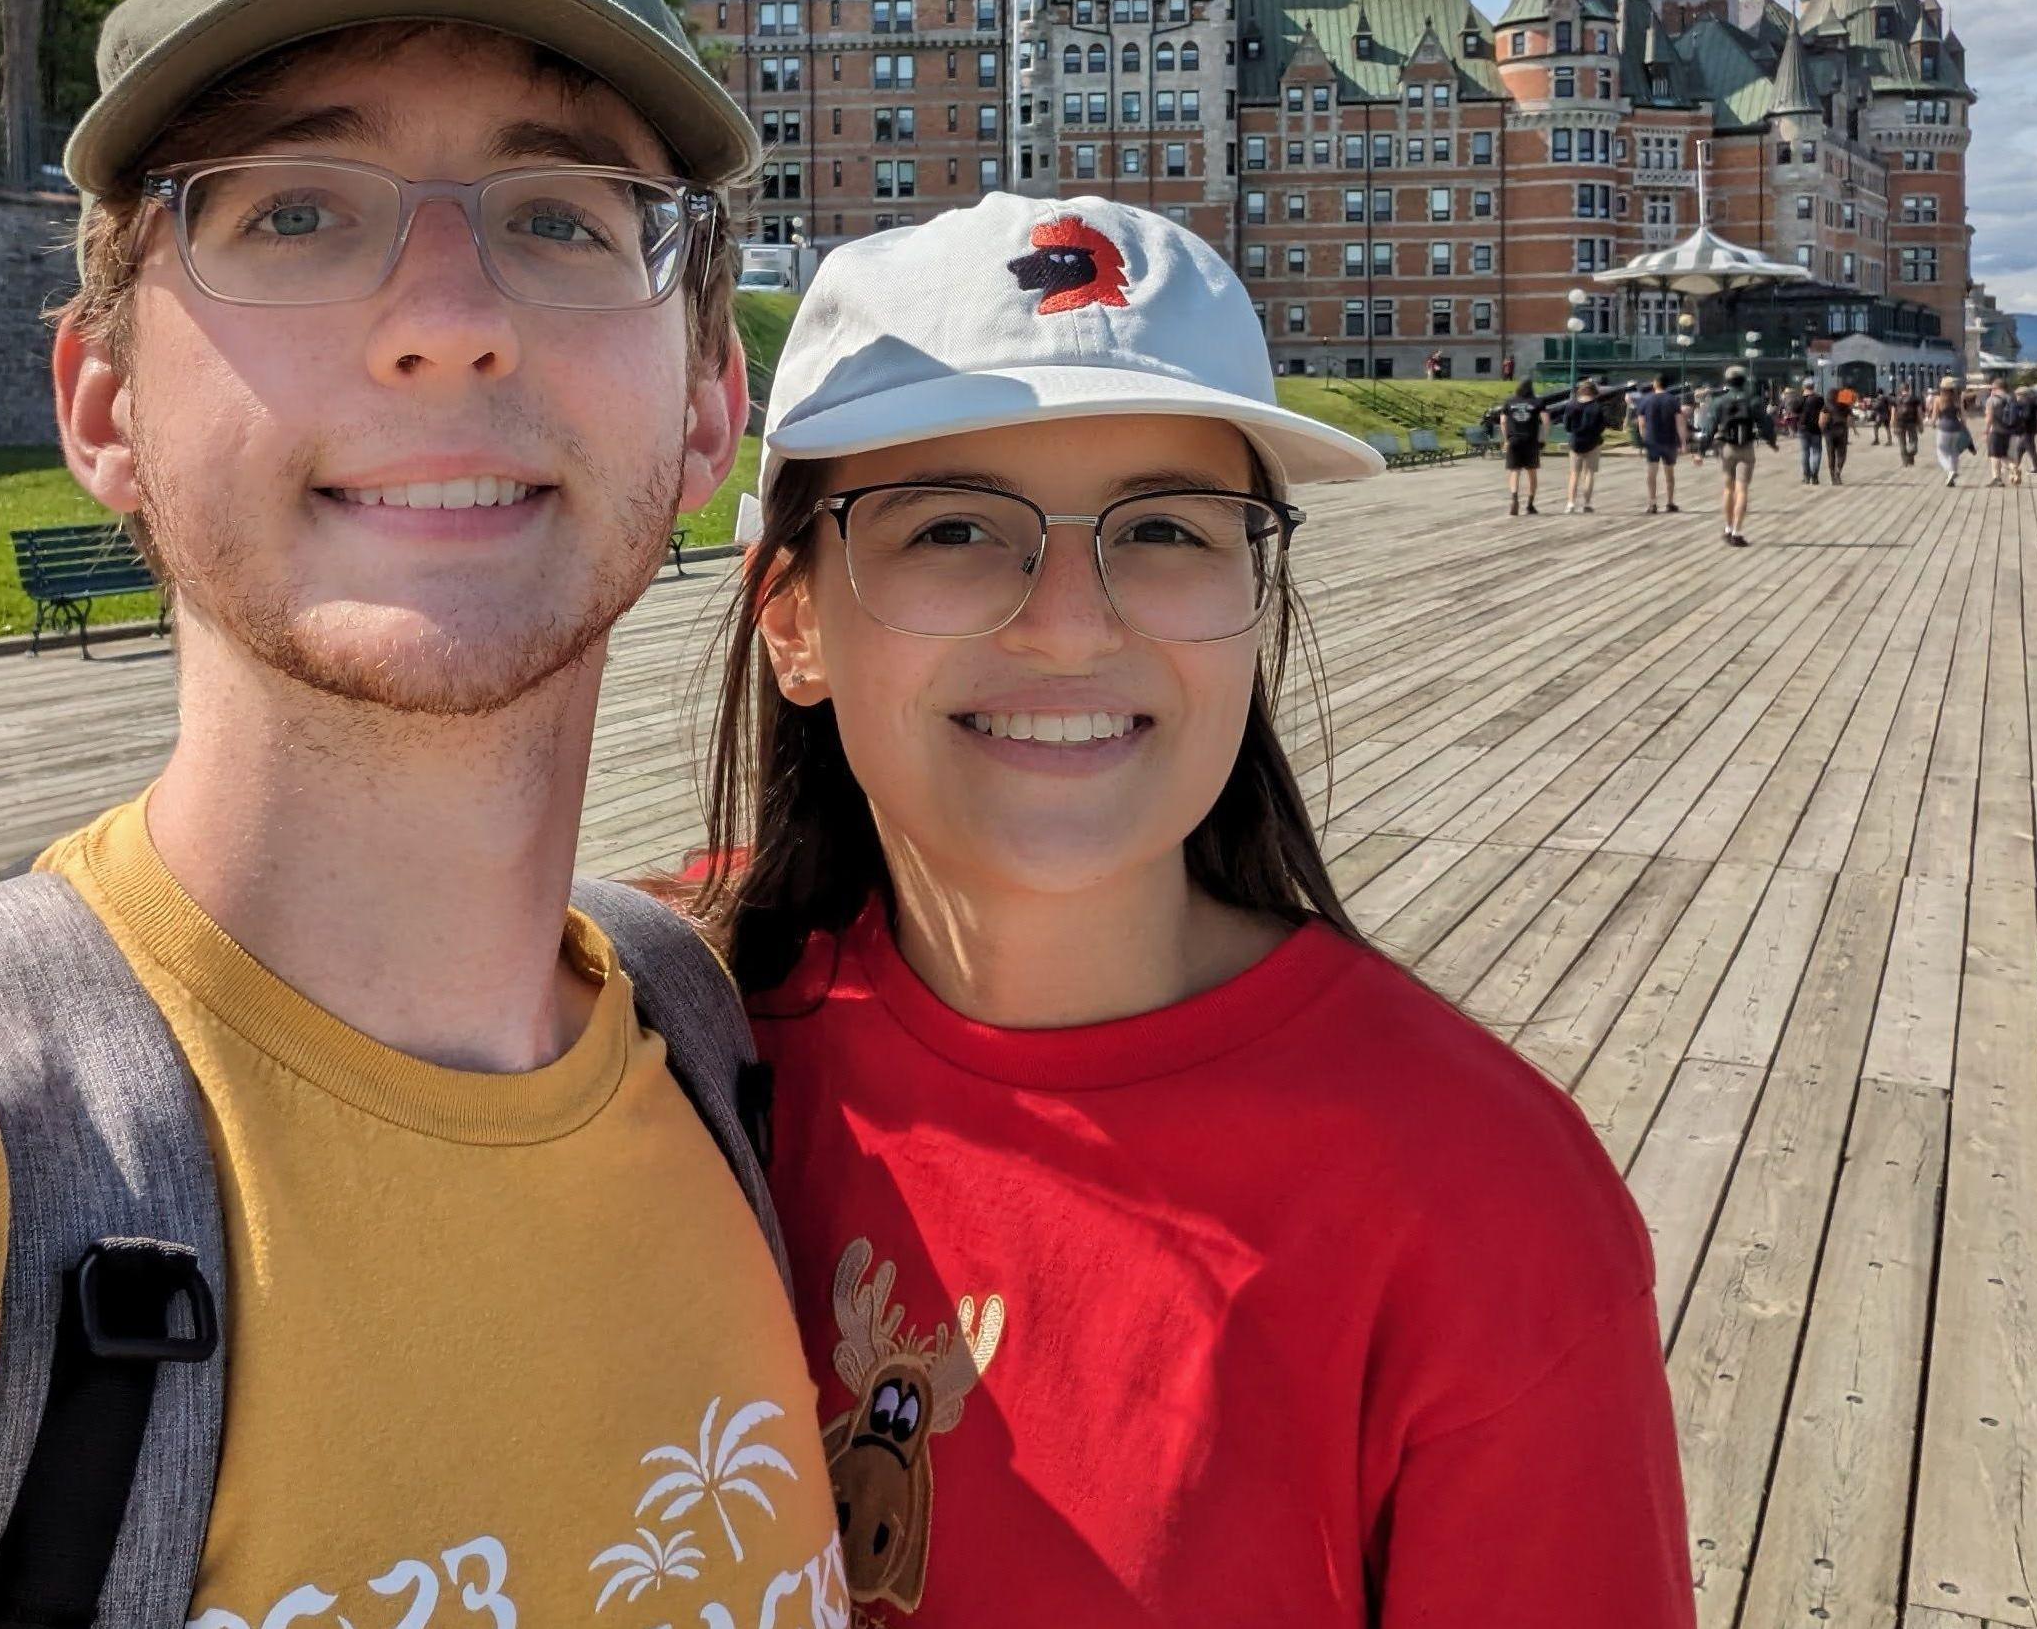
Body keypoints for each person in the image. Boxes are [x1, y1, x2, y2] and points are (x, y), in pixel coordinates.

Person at [0, 0, 846, 1626]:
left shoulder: (723, 1059)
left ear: (712, 401)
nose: (445, 314)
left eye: (565, 216)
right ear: (103, 405)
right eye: (293, 213)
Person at [705, 196, 1693, 1625]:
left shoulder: (1483, 1208)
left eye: (1164, 526)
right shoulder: (656, 1030)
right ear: (793, 619)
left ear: (1255, 595)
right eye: (953, 527)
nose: (1068, 621)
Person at [1695, 364, 1777, 547]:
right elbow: (1765, 424)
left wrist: (1701, 452)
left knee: (1728, 489)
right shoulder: (1753, 400)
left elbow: (1709, 429)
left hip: (1727, 448)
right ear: (1744, 381)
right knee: (1742, 490)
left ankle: (1727, 527)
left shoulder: (1718, 402)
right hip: (1746, 447)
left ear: (1727, 381)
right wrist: (1772, 442)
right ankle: (1737, 532)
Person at [1489, 378, 1548, 517]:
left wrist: (1506, 439)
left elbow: (1503, 421)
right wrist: (1543, 438)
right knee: (1532, 472)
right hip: (1531, 440)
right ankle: (1530, 504)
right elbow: (1546, 421)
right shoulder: (1537, 402)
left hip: (1514, 440)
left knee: (1514, 471)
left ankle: (1514, 498)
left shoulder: (1509, 401)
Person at [1632, 370, 1686, 515]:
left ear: (1655, 384)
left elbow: (1642, 424)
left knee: (1652, 473)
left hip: (1652, 440)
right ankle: (1670, 502)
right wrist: (1683, 442)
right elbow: (1680, 422)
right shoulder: (1673, 400)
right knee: (1669, 473)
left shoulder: (1645, 400)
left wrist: (1644, 439)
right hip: (1669, 440)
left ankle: (1652, 503)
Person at [1563, 378, 1608, 514]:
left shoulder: (1571, 405)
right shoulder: (1597, 407)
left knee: (1574, 474)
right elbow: (1602, 426)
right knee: (1589, 473)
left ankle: (1571, 503)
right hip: (1593, 442)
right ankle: (1587, 503)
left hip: (1576, 442)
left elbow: (1567, 426)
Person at [1927, 376, 1971, 486]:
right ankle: (1952, 476)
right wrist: (1964, 427)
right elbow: (1963, 416)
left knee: (1941, 452)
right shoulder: (1958, 399)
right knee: (1954, 452)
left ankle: (1950, 471)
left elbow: (1934, 416)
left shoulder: (1938, 400)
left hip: (1943, 428)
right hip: (1956, 428)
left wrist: (1932, 424)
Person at [1984, 380, 2017, 488]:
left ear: (1995, 388)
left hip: (1996, 431)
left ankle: (1997, 478)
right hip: (2009, 431)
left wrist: (1986, 430)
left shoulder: (1992, 400)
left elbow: (1989, 417)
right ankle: (2013, 467)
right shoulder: (2011, 398)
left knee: (1995, 455)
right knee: (2003, 455)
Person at [1796, 382, 1828, 487]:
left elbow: (1795, 411)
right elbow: (1824, 412)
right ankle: (1814, 476)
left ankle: (1806, 476)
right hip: (1816, 429)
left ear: (1803, 387)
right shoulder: (1819, 399)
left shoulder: (1800, 399)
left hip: (1803, 428)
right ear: (1814, 387)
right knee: (1817, 452)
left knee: (1805, 452)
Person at [1824, 386, 1857, 487]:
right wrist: (1854, 430)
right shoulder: (1845, 405)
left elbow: (1822, 419)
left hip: (1829, 431)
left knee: (1831, 455)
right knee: (1842, 454)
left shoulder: (1826, 405)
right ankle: (1838, 472)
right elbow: (1850, 419)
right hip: (1842, 431)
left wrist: (1822, 430)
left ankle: (1832, 477)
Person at [2011, 382, 2037, 477]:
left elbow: (2027, 416)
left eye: (2017, 395)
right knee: (2020, 449)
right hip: (2029, 429)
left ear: (2022, 395)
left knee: (2029, 449)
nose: (2016, 397)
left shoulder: (2026, 403)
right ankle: (2016, 466)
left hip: (2027, 429)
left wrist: (2018, 416)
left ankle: (2036, 468)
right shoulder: (2029, 402)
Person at [1894, 381, 1924, 467]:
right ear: (1908, 389)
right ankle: (1910, 456)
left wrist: (1893, 425)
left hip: (1899, 423)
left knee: (1902, 443)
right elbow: (1919, 413)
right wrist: (1921, 424)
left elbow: (1893, 413)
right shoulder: (1915, 398)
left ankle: (1905, 462)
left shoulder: (1896, 399)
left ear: (1901, 389)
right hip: (1911, 423)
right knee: (1913, 442)